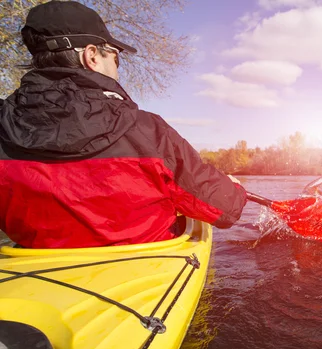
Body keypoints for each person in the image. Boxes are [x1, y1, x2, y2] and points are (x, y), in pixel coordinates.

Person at [0, 1, 247, 248]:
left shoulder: (4, 127)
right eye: (116, 59)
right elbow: (224, 209)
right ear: (92, 56)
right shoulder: (149, 131)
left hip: (34, 269)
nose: (118, 70)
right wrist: (234, 190)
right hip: (144, 269)